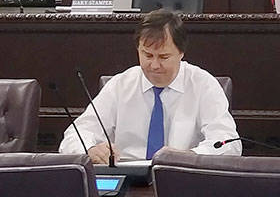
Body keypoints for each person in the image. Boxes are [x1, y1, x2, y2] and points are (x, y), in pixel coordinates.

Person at [60, 9, 239, 161]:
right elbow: (74, 135)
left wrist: (190, 156)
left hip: (183, 178)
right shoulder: (121, 85)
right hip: (128, 181)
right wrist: (90, 149)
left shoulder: (203, 85)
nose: (154, 65)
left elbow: (229, 143)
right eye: (147, 55)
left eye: (163, 57)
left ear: (181, 53)